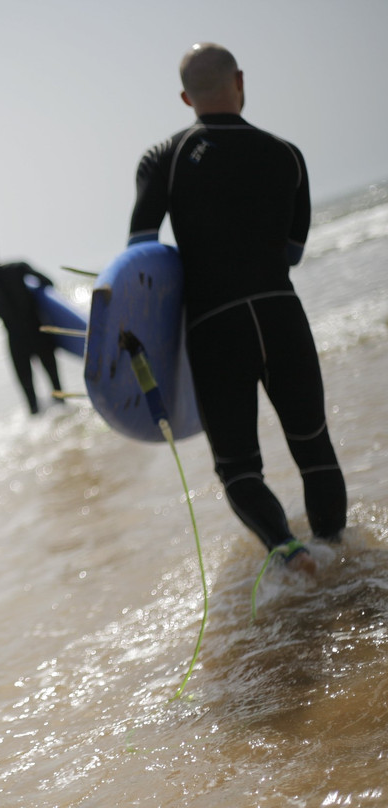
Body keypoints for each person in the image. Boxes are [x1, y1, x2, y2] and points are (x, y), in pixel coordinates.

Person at [127, 42, 347, 574]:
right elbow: (292, 253)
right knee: (314, 445)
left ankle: (290, 553)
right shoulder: (287, 155)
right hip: (280, 314)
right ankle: (342, 560)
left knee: (239, 467)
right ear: (240, 81)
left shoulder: (165, 159)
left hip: (214, 325)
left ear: (186, 98)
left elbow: (139, 259)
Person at [0, 239, 63, 414]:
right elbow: (48, 283)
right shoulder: (18, 268)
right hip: (38, 332)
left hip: (18, 341)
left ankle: (43, 433)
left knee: (33, 404)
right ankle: (63, 424)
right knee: (57, 392)